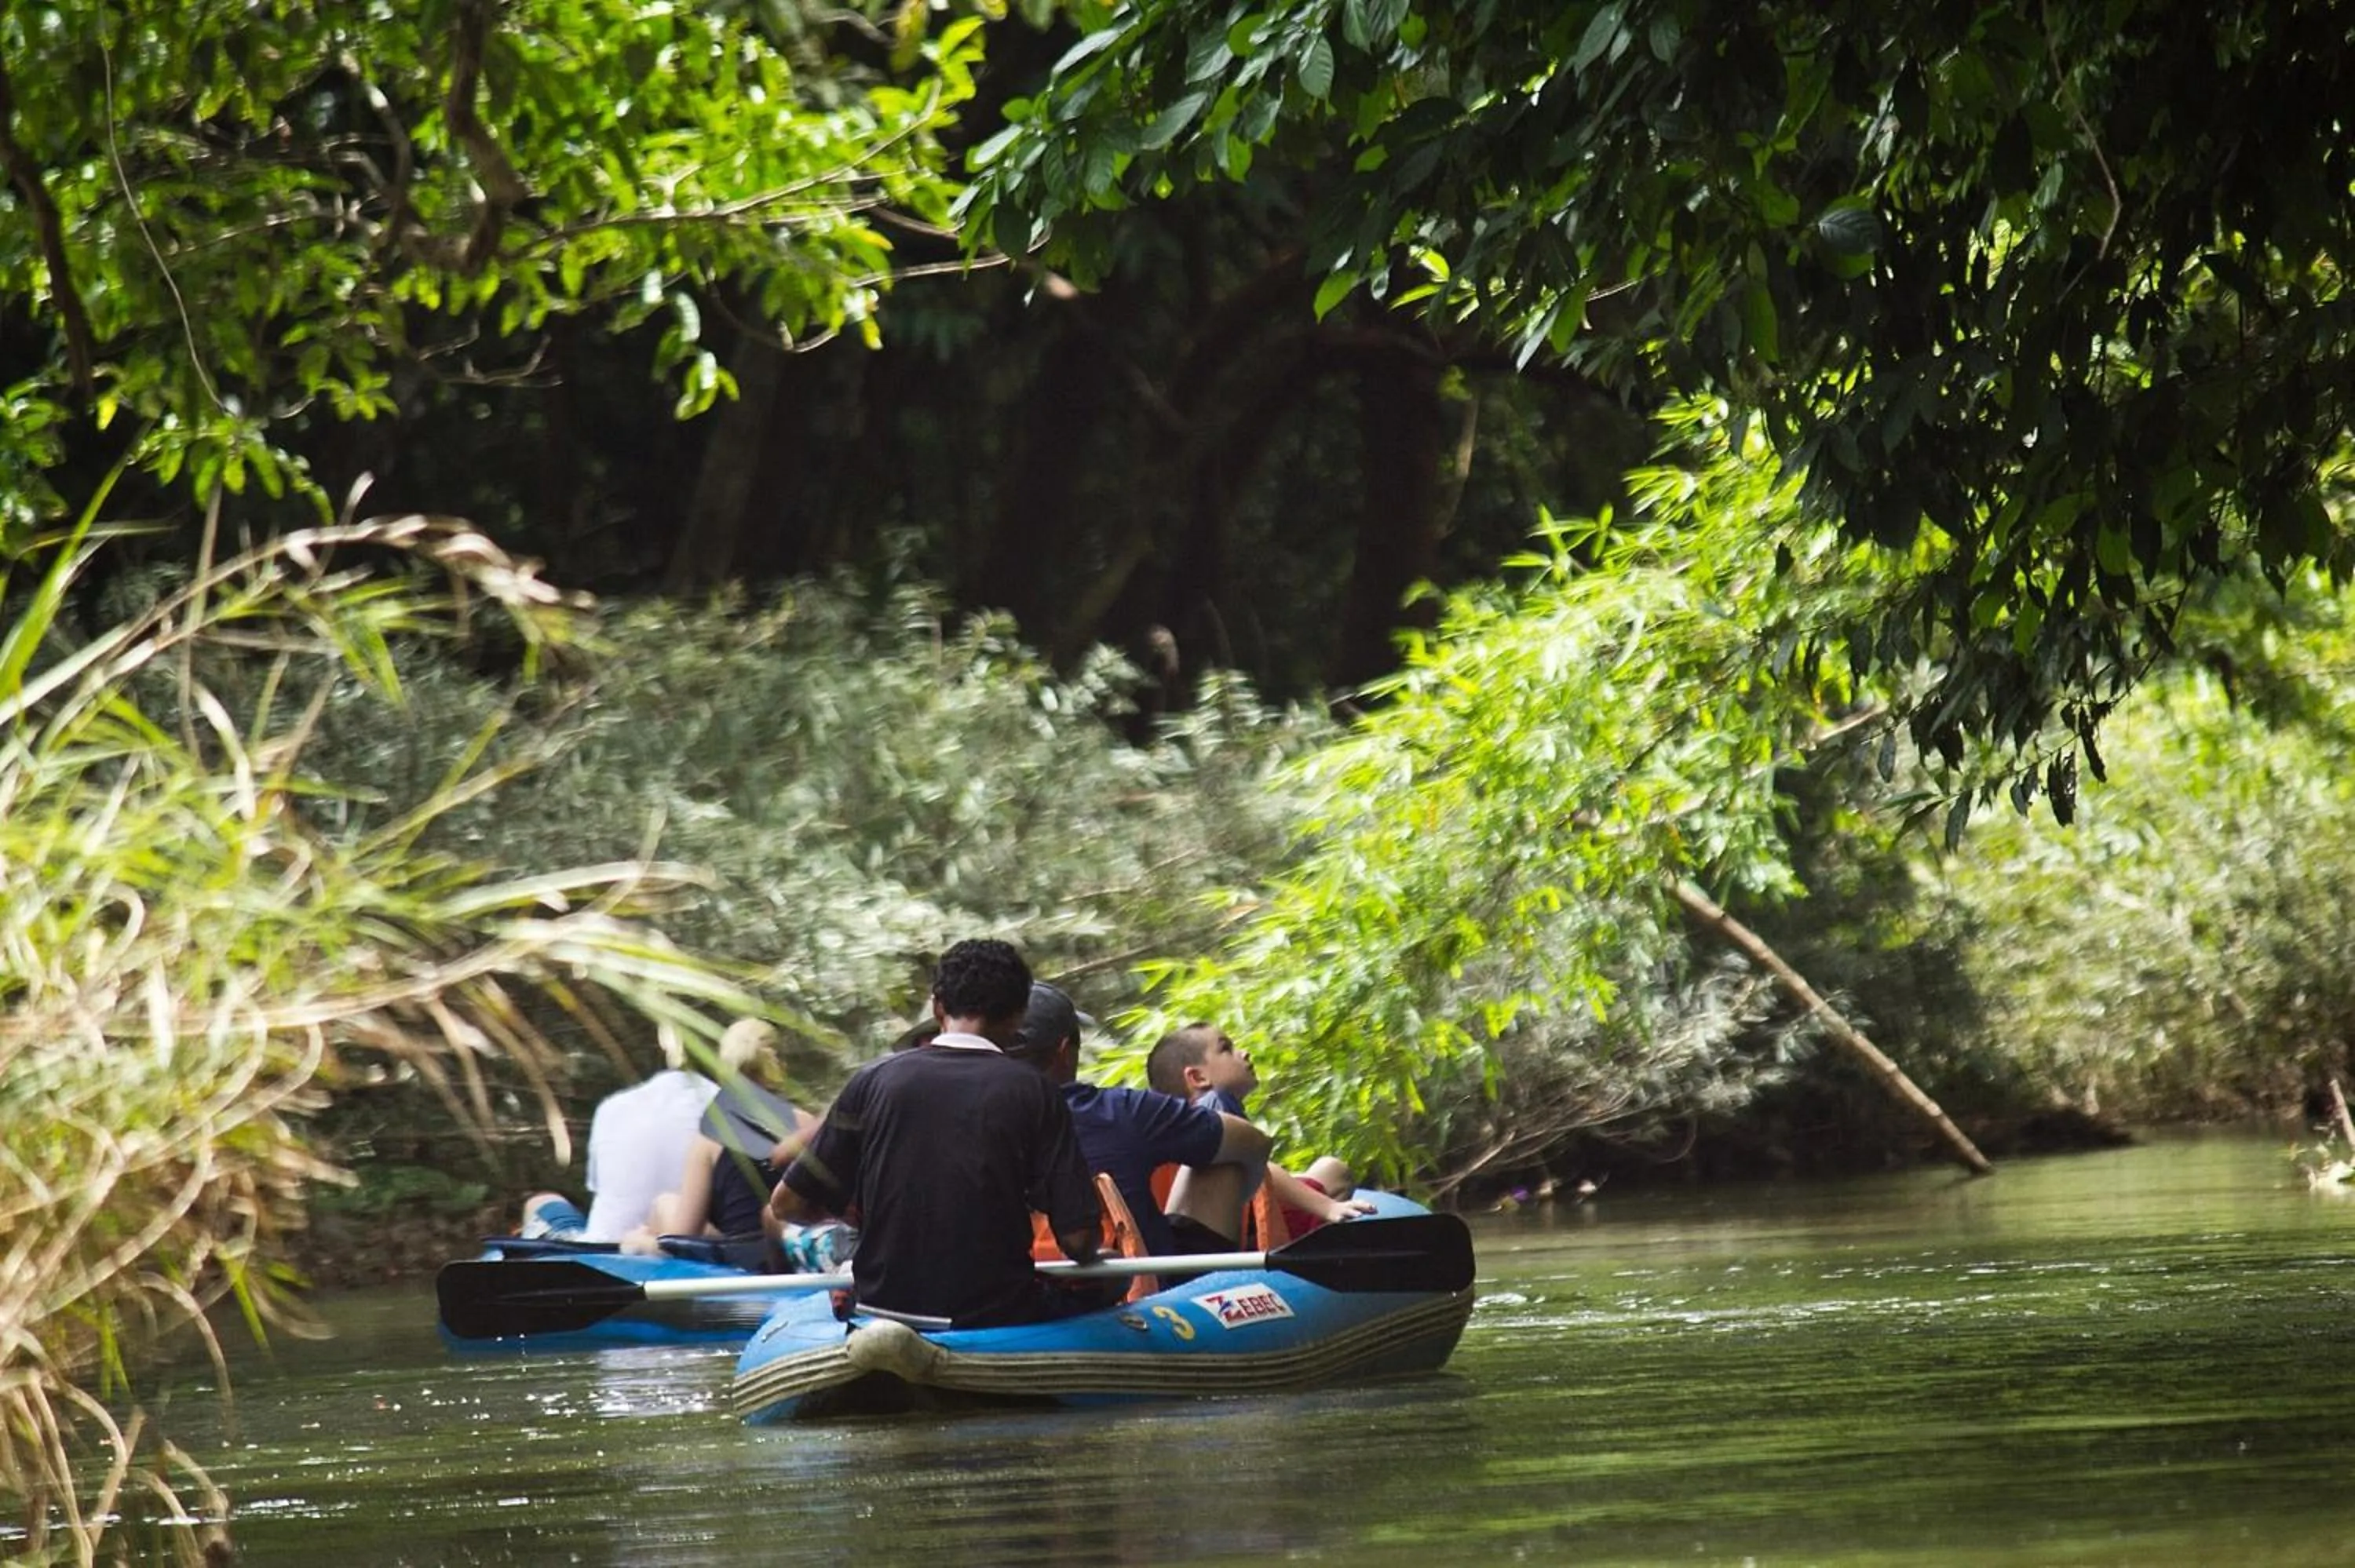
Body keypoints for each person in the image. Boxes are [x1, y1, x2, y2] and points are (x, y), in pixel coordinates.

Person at [767, 939, 1104, 1326]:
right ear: (1018, 1014)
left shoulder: (873, 1079)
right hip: (993, 1314)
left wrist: (863, 1218)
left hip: (881, 1307)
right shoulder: (1035, 1091)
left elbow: (787, 1205)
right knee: (1103, 1287)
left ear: (938, 1006)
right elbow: (1078, 1240)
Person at [1010, 983, 1286, 1255]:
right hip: (1147, 1285)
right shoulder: (1122, 1110)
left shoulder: (978, 1125)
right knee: (1226, 1138)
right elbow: (1254, 1142)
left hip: (1033, 1285)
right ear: (1065, 1051)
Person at [1146, 1020, 1374, 1237]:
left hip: (1233, 1220)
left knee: (1328, 1170)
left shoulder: (1171, 1129)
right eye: (1226, 1048)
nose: (1243, 1053)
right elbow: (1258, 1168)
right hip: (1246, 1233)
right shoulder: (1212, 1106)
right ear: (1198, 1076)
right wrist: (1328, 1207)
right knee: (1334, 1171)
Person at [517, 1026, 727, 1244]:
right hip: (672, 1237)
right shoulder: (730, 1113)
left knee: (541, 1202)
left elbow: (605, 1190)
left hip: (607, 1245)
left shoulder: (613, 1106)